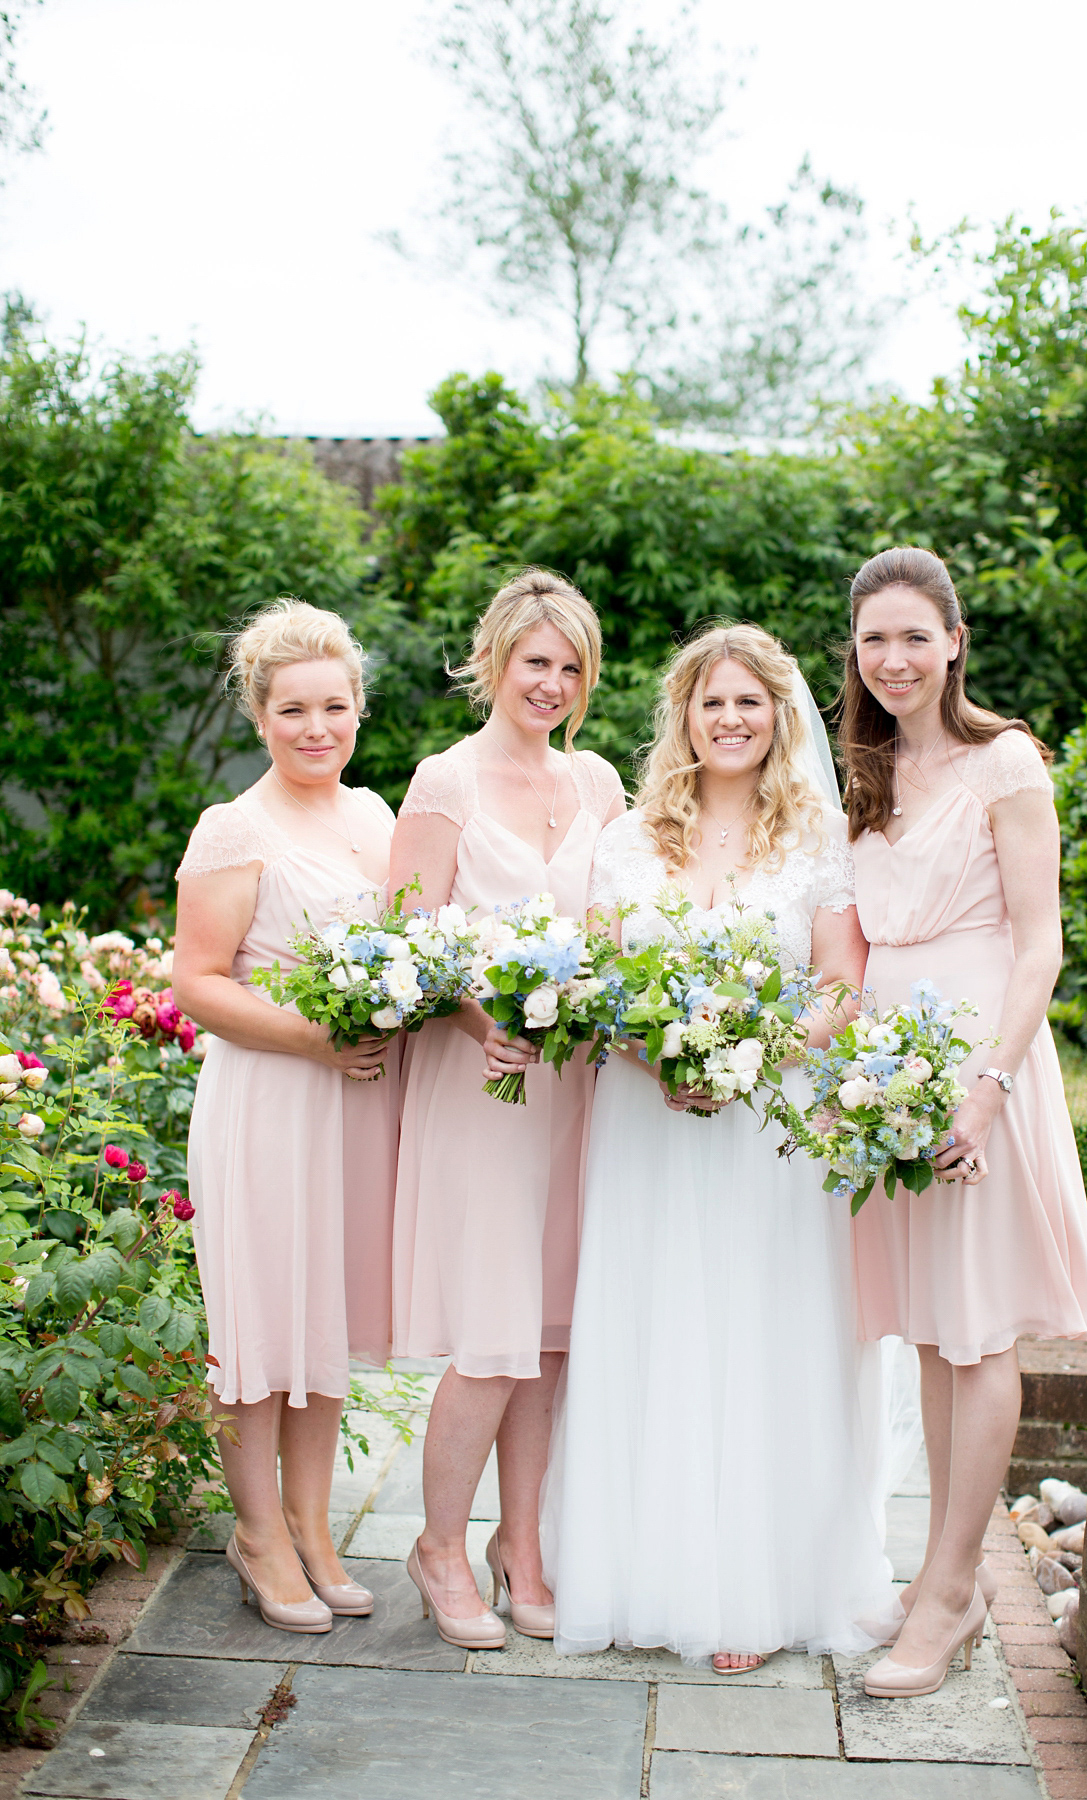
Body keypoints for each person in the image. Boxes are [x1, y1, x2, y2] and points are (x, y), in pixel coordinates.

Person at [543, 623, 903, 1673]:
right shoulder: (628, 839)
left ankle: (756, 1593)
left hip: (771, 1129)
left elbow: (841, 978)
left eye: (751, 702)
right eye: (713, 702)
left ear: (781, 715)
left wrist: (760, 1050)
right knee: (655, 1327)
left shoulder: (815, 842)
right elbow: (599, 979)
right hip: (646, 1123)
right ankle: (640, 1573)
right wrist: (652, 1053)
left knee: (763, 1334)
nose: (731, 719)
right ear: (685, 717)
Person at [843, 547, 1087, 1699]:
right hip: (885, 1068)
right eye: (875, 640)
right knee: (926, 1326)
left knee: (980, 1334)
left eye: (916, 636)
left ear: (955, 641)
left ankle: (955, 1593)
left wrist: (988, 1084)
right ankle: (934, 1571)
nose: (896, 659)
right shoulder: (862, 767)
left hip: (978, 1064)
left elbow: (1039, 942)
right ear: (854, 653)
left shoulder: (1005, 760)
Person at [390, 567, 626, 1650]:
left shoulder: (600, 785)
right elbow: (402, 942)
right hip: (485, 1078)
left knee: (552, 1335)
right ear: (493, 660)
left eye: (571, 667)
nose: (552, 682)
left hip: (578, 1087)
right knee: (491, 1334)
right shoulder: (444, 781)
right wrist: (474, 1013)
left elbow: (624, 933)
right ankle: (440, 1544)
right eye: (537, 660)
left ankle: (521, 1545)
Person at [173, 598, 401, 1634]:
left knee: (323, 1324)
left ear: (359, 711)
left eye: (336, 707)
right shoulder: (234, 826)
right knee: (260, 1320)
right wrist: (314, 1038)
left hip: (351, 1110)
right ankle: (257, 1532)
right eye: (296, 709)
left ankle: (313, 1527)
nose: (319, 729)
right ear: (260, 715)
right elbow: (199, 983)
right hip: (268, 1099)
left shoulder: (374, 817)